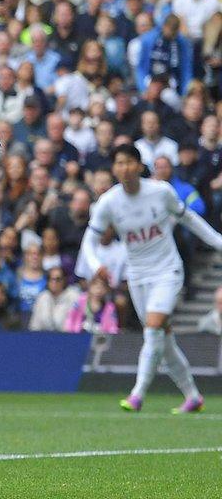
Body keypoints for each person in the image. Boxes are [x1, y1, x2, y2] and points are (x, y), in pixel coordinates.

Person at [81, 144, 222, 414]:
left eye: (128, 162)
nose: (123, 168)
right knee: (163, 338)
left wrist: (218, 242)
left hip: (167, 270)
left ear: (138, 165)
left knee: (154, 327)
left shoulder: (160, 192)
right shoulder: (108, 202)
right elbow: (90, 240)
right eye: (118, 163)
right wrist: (96, 264)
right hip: (137, 276)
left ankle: (137, 394)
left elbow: (189, 219)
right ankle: (193, 396)